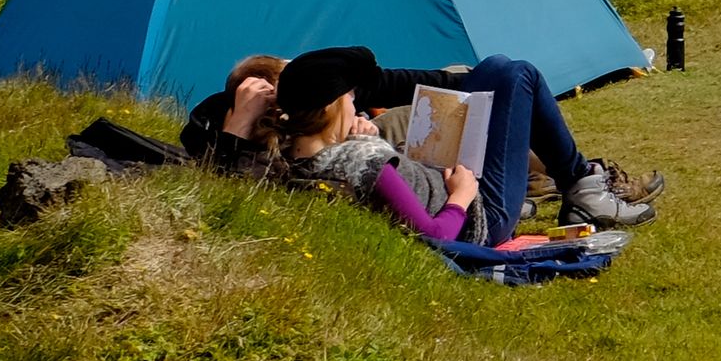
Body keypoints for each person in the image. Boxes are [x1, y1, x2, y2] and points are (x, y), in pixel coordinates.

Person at [272, 44, 658, 242]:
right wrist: (461, 193)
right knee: (519, 73)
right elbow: (435, 235)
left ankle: (582, 185)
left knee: (496, 68)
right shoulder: (364, 160)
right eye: (350, 98)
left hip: (437, 175)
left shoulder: (298, 157)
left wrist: (359, 134)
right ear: (329, 107)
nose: (356, 103)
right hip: (481, 214)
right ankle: (582, 187)